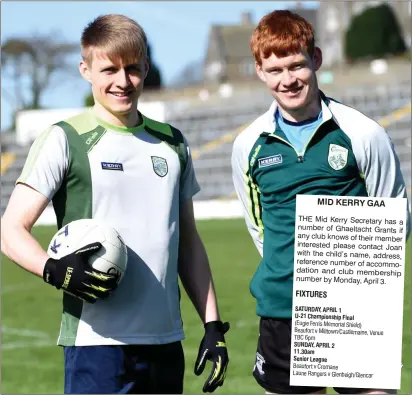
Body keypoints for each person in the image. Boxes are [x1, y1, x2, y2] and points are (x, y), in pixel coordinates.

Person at [1, 14, 229, 394]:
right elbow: (9, 231)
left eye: (133, 69)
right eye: (109, 70)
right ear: (85, 69)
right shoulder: (65, 139)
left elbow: (188, 242)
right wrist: (53, 269)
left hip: (164, 342)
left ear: (146, 69)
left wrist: (212, 326)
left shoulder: (172, 143)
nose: (122, 82)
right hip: (96, 345)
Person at [231, 10, 410, 395]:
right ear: (260, 71)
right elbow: (258, 225)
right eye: (275, 69)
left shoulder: (362, 133)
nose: (288, 79)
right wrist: (295, 270)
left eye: (296, 65)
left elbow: (394, 219)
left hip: (354, 307)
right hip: (282, 308)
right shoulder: (249, 144)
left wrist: (339, 272)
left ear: (316, 60)